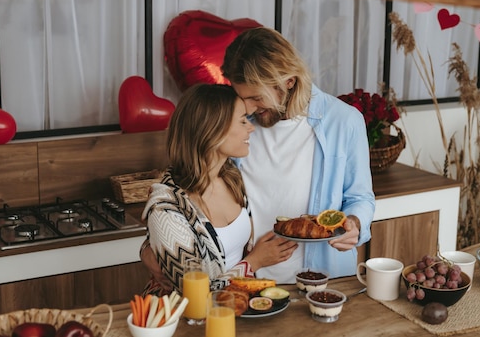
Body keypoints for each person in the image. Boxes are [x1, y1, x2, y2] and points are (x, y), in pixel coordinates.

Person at [222, 27, 376, 283]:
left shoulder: (344, 121)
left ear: (289, 81)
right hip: (252, 280)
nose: (248, 107)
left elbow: (360, 196)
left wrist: (355, 223)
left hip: (327, 280)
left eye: (256, 97)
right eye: (242, 97)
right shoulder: (236, 125)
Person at [138, 83, 294, 296]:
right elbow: (195, 292)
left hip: (231, 309)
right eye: (242, 121)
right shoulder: (167, 208)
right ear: (213, 130)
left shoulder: (231, 177)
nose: (251, 127)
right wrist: (254, 262)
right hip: (184, 322)